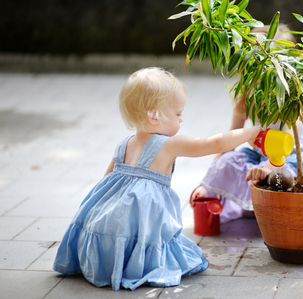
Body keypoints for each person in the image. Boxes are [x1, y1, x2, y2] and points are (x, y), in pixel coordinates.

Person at [52, 67, 262, 291]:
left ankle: (110, 259)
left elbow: (105, 183)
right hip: (140, 226)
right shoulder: (169, 144)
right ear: (154, 115)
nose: (181, 120)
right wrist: (251, 132)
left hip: (107, 226)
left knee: (125, 225)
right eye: (178, 114)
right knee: (155, 233)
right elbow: (214, 144)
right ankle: (139, 263)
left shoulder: (124, 143)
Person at [192, 24, 303, 222]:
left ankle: (266, 213)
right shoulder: (245, 98)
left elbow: (286, 144)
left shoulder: (292, 100)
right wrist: (207, 181)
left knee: (279, 177)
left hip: (289, 159)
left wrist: (268, 167)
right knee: (227, 162)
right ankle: (248, 204)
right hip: (257, 154)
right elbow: (229, 140)